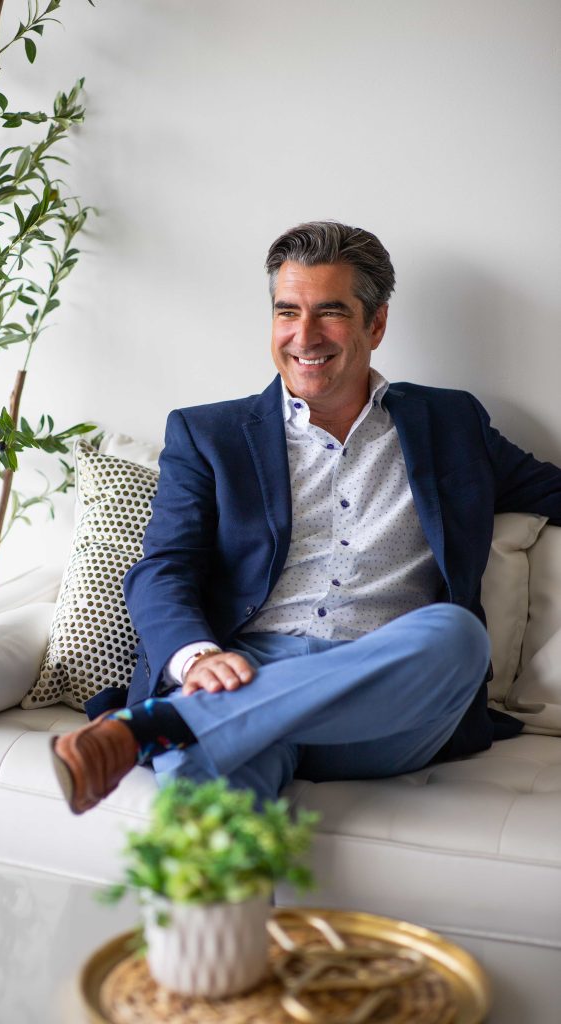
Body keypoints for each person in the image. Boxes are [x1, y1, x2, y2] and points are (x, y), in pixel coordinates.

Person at [51, 220, 561, 815]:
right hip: (242, 671)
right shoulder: (208, 434)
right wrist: (197, 658)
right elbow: (162, 569)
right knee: (214, 840)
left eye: (330, 312)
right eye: (287, 310)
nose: (304, 334)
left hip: (385, 704)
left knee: (456, 636)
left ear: (377, 323)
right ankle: (222, 877)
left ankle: (164, 725)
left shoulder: (450, 424)